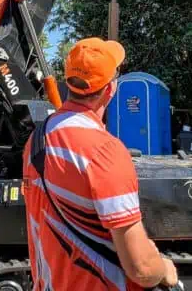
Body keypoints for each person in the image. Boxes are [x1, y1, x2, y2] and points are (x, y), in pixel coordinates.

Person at [22, 37, 180, 291]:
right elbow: (142, 270)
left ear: (69, 82)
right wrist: (163, 268)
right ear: (110, 90)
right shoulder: (105, 151)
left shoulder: (37, 138)